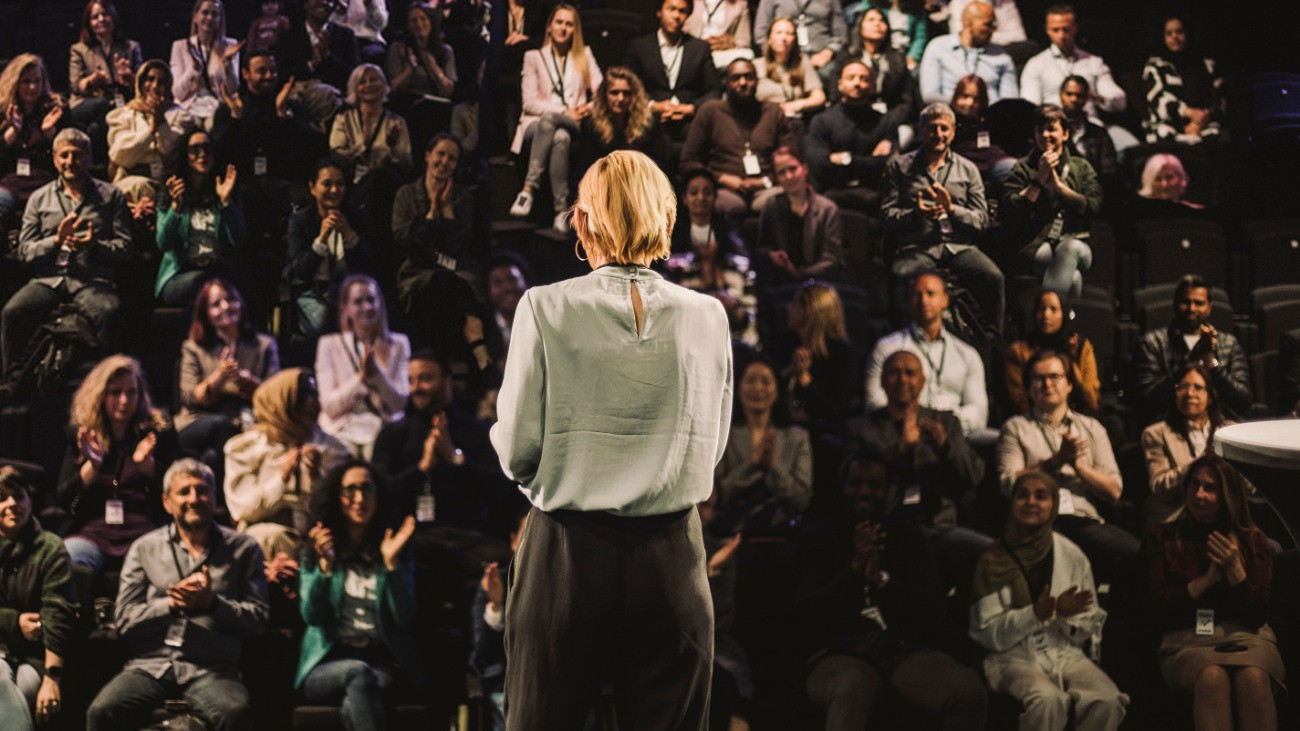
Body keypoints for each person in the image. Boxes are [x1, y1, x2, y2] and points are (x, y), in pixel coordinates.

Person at [490, 150, 733, 727]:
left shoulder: (543, 307)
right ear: (665, 218)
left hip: (568, 556)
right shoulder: (710, 315)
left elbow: (518, 450)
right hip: (673, 560)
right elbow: (711, 449)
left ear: (582, 220)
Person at [801, 450, 988, 730]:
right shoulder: (820, 537)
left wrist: (883, 583)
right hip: (838, 651)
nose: (864, 492)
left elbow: (934, 609)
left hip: (900, 649)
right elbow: (807, 611)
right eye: (856, 483)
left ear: (888, 492)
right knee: (853, 687)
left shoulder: (908, 537)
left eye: (874, 485)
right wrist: (853, 573)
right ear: (843, 487)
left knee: (968, 690)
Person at [85, 459, 268, 731]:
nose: (194, 498)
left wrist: (212, 604)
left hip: (212, 668)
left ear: (214, 497)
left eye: (202, 490)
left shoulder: (244, 548)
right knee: (101, 712)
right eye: (184, 492)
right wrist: (170, 605)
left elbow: (258, 619)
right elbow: (123, 619)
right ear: (167, 501)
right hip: (150, 665)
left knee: (235, 713)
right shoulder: (144, 548)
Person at [970, 470, 1129, 731]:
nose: (1031, 502)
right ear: (1011, 503)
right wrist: (1036, 614)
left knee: (1106, 699)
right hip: (1011, 657)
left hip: (1063, 651)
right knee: (1047, 700)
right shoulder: (993, 559)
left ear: (1053, 504)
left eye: (1041, 496)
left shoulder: (1071, 553)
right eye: (1022, 495)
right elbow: (986, 631)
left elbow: (1089, 620)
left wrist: (1065, 616)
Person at [1145, 455, 1283, 731]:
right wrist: (1205, 582)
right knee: (1212, 677)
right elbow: (1157, 612)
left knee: (1253, 678)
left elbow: (1257, 615)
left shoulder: (1252, 540)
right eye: (1194, 485)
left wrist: (1236, 572)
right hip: (1187, 639)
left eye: (1210, 488)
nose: (1198, 495)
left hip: (1248, 637)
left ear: (1227, 495)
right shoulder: (1162, 536)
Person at [296, 461, 422, 728]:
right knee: (359, 675)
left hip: (382, 660)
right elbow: (312, 616)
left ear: (379, 496)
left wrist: (391, 565)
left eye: (367, 489)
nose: (359, 498)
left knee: (360, 691)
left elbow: (404, 616)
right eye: (349, 490)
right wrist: (325, 570)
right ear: (336, 497)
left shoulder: (394, 547)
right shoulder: (316, 550)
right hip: (327, 661)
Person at [2, 128, 132, 374]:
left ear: (89, 158)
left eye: (77, 155)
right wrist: (55, 241)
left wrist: (95, 246)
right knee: (11, 313)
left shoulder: (111, 195)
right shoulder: (38, 198)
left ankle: (109, 384)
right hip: (48, 280)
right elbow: (24, 252)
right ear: (54, 159)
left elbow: (125, 248)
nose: (70, 162)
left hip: (92, 279)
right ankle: (11, 384)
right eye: (64, 156)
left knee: (110, 312)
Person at [997, 350, 1138, 575]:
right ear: (1029, 388)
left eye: (1055, 377)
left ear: (1069, 384)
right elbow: (1009, 485)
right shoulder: (1015, 428)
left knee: (1134, 553)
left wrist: (1078, 467)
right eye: (1038, 378)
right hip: (1037, 522)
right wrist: (1055, 461)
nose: (1047, 384)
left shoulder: (1091, 428)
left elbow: (1114, 490)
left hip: (1083, 520)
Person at [880, 102, 1001, 334]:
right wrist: (915, 214)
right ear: (921, 129)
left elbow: (982, 220)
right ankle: (905, 337)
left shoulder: (968, 169)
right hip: (918, 246)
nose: (938, 134)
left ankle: (991, 341)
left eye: (944, 129)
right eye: (932, 128)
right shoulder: (899, 167)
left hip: (959, 246)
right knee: (902, 274)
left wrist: (953, 210)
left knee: (993, 277)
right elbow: (886, 216)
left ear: (953, 132)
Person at [57, 354, 176, 582]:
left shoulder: (156, 432)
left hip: (144, 533)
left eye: (131, 392)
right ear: (100, 396)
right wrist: (92, 466)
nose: (124, 401)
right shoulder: (82, 436)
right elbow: (66, 503)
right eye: (115, 392)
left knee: (169, 560)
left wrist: (148, 466)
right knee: (66, 558)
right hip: (93, 534)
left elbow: (174, 492)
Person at [372, 349, 507, 533]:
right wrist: (421, 468)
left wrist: (455, 458)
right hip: (411, 541)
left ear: (448, 380)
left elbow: (500, 490)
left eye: (426, 378)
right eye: (410, 380)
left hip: (469, 539)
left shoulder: (479, 431)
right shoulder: (393, 433)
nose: (416, 388)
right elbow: (378, 491)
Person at [223, 368, 351, 559]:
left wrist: (318, 478)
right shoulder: (247, 447)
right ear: (282, 401)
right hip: (267, 535)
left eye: (314, 395)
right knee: (269, 538)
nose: (313, 403)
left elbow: (342, 508)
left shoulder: (332, 448)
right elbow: (242, 509)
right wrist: (281, 479)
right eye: (304, 396)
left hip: (316, 531)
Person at [391, 134, 487, 368]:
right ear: (427, 156)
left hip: (458, 271)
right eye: (440, 154)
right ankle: (478, 348)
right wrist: (432, 213)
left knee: (453, 284)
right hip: (417, 271)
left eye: (452, 159)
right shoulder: (406, 194)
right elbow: (408, 244)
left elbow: (460, 246)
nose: (444, 162)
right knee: (440, 284)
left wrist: (447, 210)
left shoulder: (463, 197)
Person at [508, 4, 602, 232]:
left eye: (569, 24)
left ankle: (528, 190)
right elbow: (529, 102)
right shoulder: (533, 57)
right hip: (536, 124)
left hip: (574, 122)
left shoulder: (584, 54)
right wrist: (561, 112)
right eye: (559, 22)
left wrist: (583, 108)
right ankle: (561, 211)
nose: (563, 28)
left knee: (561, 130)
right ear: (549, 27)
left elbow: (602, 95)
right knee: (559, 137)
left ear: (575, 30)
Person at [865, 271, 992, 440]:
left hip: (957, 435)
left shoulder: (967, 354)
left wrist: (945, 425)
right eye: (917, 295)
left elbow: (978, 412)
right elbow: (875, 403)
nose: (924, 301)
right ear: (909, 302)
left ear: (945, 300)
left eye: (930, 294)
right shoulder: (888, 348)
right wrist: (913, 423)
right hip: (902, 432)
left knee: (995, 440)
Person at [176, 278, 279, 484]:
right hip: (199, 420)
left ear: (240, 303)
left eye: (230, 300)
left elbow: (276, 396)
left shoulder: (264, 345)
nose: (225, 307)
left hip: (246, 419)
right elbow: (189, 398)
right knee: (223, 426)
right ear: (206, 313)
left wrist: (249, 382)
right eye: (216, 304)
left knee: (213, 457)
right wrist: (219, 376)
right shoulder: (193, 347)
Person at [0, 466, 77, 731]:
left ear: (30, 502)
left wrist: (52, 677)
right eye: (1, 497)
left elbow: (58, 611)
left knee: (26, 689)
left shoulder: (50, 547)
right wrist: (14, 622)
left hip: (35, 656)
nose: (11, 504)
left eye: (18, 496)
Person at [1001, 105, 1102, 298]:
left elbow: (1093, 206)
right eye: (1040, 130)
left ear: (1065, 134)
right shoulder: (1023, 168)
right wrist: (1038, 180)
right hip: (1037, 245)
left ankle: (1045, 312)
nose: (1045, 135)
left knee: (1069, 247)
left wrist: (1060, 187)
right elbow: (1011, 210)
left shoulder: (1081, 167)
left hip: (1078, 243)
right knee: (1073, 279)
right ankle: (1065, 322)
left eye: (1051, 129)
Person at [680, 58, 796, 217]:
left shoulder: (773, 112)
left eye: (749, 77)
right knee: (727, 205)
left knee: (777, 202)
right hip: (722, 188)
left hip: (766, 187)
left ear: (757, 82)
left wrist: (766, 181)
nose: (743, 83)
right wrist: (720, 178)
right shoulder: (711, 111)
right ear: (726, 83)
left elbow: (790, 158)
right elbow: (688, 160)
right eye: (735, 78)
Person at [1133, 274, 1251, 425]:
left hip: (1219, 426)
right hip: (1170, 427)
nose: (1191, 308)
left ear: (1209, 307)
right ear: (1175, 305)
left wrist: (1212, 363)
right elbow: (1147, 401)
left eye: (1199, 303)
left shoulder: (1229, 343)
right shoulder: (1151, 343)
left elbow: (1243, 402)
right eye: (1185, 302)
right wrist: (1190, 359)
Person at [315, 274, 410, 457]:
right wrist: (361, 378)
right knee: (343, 454)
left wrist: (376, 375)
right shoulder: (329, 344)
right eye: (358, 302)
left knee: (378, 452)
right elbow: (329, 406)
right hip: (342, 426)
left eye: (371, 300)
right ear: (346, 307)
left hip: (382, 425)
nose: (366, 307)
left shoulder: (398, 343)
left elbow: (399, 403)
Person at [715, 359, 812, 532]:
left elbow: (802, 499)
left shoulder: (797, 438)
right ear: (738, 388)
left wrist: (773, 467)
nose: (758, 388)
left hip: (783, 532)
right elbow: (718, 494)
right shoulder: (723, 435)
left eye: (766, 382)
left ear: (777, 392)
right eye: (750, 381)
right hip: (733, 529)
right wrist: (752, 464)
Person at [664, 169, 757, 345]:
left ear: (714, 197)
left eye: (707, 193)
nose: (701, 198)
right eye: (694, 193)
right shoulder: (672, 237)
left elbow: (743, 271)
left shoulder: (730, 234)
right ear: (684, 198)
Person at [283, 156, 370, 343]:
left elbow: (366, 268)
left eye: (340, 184)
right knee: (333, 328)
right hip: (311, 292)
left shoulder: (355, 218)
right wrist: (320, 241)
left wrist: (349, 236)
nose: (334, 190)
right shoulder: (300, 221)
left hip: (348, 293)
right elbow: (298, 271)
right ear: (313, 188)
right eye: (327, 184)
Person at [154, 128, 242, 305]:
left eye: (207, 148)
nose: (202, 154)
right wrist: (175, 209)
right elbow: (163, 242)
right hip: (181, 275)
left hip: (218, 270)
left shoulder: (224, 189)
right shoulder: (171, 192)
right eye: (195, 149)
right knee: (208, 283)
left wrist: (226, 203)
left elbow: (237, 240)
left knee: (218, 286)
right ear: (184, 155)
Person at [1142, 364, 1232, 526]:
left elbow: (1248, 484)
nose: (1189, 394)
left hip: (1225, 516)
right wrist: (1197, 465)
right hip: (1178, 518)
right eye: (1182, 387)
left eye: (1198, 388)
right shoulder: (1156, 433)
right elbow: (1159, 486)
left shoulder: (1229, 431)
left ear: (1211, 397)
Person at [623, 0, 722, 143]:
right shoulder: (639, 47)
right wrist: (653, 105)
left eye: (682, 11)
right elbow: (628, 87)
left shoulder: (700, 48)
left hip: (690, 122)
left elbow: (714, 91)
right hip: (649, 119)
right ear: (659, 12)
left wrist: (690, 108)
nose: (676, 16)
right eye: (671, 9)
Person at [804, 61, 895, 213]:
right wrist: (867, 163)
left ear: (872, 86)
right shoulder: (822, 121)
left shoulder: (885, 122)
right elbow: (818, 164)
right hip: (831, 194)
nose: (857, 83)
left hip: (872, 195)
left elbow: (887, 165)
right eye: (851, 78)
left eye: (863, 79)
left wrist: (847, 159)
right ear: (840, 84)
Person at [106, 59, 195, 201]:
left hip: (168, 180)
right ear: (140, 83)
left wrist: (162, 124)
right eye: (150, 80)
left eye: (161, 82)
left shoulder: (181, 116)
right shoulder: (122, 115)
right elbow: (120, 155)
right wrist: (150, 130)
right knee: (139, 187)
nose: (154, 86)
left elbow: (172, 152)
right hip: (131, 181)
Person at [1019, 6, 1126, 122]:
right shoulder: (1036, 64)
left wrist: (1095, 96)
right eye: (1055, 30)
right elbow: (1030, 106)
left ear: (1075, 28)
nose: (1061, 36)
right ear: (1047, 30)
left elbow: (1119, 102)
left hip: (1090, 125)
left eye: (1066, 29)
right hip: (1054, 128)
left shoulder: (1093, 62)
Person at [779, 281, 857, 439]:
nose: (788, 308)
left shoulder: (841, 353)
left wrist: (805, 379)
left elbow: (837, 411)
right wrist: (789, 370)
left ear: (809, 311)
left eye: (795, 304)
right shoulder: (782, 343)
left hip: (822, 433)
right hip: (782, 428)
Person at [1004, 289, 1101, 415]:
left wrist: (1070, 361)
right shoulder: (1018, 351)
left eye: (1053, 309)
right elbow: (1020, 404)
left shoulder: (1080, 347)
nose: (1046, 315)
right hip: (1035, 420)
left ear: (1063, 314)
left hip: (1077, 417)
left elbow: (1091, 402)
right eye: (1041, 309)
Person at [757, 145, 844, 285]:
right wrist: (771, 257)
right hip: (781, 282)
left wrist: (800, 274)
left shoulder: (827, 209)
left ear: (804, 168)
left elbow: (831, 260)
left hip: (819, 284)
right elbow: (761, 248)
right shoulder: (771, 206)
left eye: (792, 169)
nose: (789, 177)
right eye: (781, 172)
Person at [273, 0, 361, 131]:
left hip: (337, 104)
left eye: (329, 0)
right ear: (305, 4)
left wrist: (329, 58)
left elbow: (356, 76)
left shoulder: (345, 36)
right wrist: (311, 65)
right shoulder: (288, 37)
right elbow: (282, 74)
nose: (324, 3)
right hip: (299, 104)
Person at [67, 1, 142, 153]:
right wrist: (92, 80)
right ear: (89, 23)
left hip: (119, 103)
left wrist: (129, 78)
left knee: (96, 129)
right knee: (102, 105)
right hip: (86, 103)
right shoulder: (79, 49)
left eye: (105, 14)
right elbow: (75, 86)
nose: (101, 19)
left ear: (113, 17)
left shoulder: (131, 48)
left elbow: (143, 85)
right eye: (95, 17)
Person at [1, 55, 66, 228]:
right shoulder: (3, 111)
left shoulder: (55, 109)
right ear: (15, 83)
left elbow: (70, 151)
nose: (33, 87)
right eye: (26, 82)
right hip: (9, 183)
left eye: (37, 81)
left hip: (44, 182)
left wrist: (50, 133)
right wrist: (13, 132)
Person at [385, 1, 456, 152]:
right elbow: (393, 88)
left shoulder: (445, 51)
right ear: (408, 26)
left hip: (436, 105)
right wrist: (409, 69)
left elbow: (448, 90)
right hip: (408, 104)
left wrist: (434, 67)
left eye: (423, 19)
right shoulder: (398, 48)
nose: (419, 24)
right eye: (413, 20)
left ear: (431, 22)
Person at [1142, 15, 1224, 145]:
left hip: (1202, 124)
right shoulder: (1155, 67)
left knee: (1216, 135)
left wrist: (1200, 121)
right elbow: (1158, 101)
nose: (1175, 37)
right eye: (1169, 33)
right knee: (1163, 134)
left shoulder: (1207, 65)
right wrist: (1187, 112)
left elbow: (1218, 99)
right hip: (1168, 124)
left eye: (1179, 32)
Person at [837, 6, 918, 136]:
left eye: (882, 21)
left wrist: (888, 121)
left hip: (889, 119)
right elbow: (836, 93)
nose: (877, 24)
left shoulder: (898, 58)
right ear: (860, 26)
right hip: (853, 119)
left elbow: (906, 100)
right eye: (871, 20)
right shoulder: (846, 56)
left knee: (905, 134)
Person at [575, 67, 668, 176]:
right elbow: (587, 168)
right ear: (604, 95)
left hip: (640, 182)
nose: (620, 98)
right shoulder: (590, 125)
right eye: (614, 93)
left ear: (634, 96)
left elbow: (659, 166)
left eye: (626, 93)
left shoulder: (649, 123)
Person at [920, 1, 1017, 105]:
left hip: (990, 116)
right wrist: (962, 104)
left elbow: (1010, 102)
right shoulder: (938, 47)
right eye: (987, 24)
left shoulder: (1002, 57)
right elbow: (929, 95)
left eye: (994, 25)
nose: (993, 30)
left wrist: (980, 107)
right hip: (949, 114)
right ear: (968, 23)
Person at [329, 64, 413, 181]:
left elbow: (406, 163)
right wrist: (362, 144)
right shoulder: (343, 119)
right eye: (362, 82)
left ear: (383, 85)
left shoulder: (397, 122)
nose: (368, 85)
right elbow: (337, 154)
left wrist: (392, 146)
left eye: (373, 80)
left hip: (384, 181)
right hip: (350, 177)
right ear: (355, 89)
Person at [169, 0, 241, 128]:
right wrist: (193, 70)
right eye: (205, 13)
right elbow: (177, 93)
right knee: (189, 125)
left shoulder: (229, 45)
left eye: (215, 14)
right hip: (189, 105)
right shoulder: (180, 46)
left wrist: (227, 65)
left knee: (214, 125)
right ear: (195, 16)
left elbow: (232, 90)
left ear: (220, 20)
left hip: (218, 104)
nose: (209, 18)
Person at [753, 0, 847, 84]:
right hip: (783, 56)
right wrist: (779, 55)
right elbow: (761, 34)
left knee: (833, 75)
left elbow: (840, 34)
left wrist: (828, 52)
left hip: (821, 56)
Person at [949, 74, 1016, 184]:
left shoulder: (989, 118)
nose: (969, 103)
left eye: (976, 99)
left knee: (1015, 168)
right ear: (956, 96)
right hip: (960, 165)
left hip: (991, 162)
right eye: (965, 96)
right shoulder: (947, 119)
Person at [754, 18, 827, 119]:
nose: (783, 38)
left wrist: (797, 104)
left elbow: (819, 97)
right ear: (769, 38)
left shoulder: (801, 62)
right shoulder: (756, 65)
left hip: (792, 119)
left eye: (789, 33)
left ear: (794, 40)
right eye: (778, 33)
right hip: (764, 117)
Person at [1059, 76, 1118, 191]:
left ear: (1086, 98)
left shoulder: (1098, 133)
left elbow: (1109, 171)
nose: (1073, 99)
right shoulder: (1049, 132)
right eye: (1069, 94)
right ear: (1061, 95)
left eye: (1079, 96)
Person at [843, 0, 927, 70]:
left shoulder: (916, 10)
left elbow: (920, 37)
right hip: (882, 49)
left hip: (904, 53)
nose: (876, 23)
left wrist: (912, 56)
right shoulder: (874, 4)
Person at [683, 0, 752, 68]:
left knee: (748, 54)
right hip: (695, 49)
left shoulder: (740, 4)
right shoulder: (690, 2)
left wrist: (730, 43)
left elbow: (744, 41)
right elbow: (682, 30)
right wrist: (701, 44)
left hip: (724, 53)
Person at [330, 0, 389, 65]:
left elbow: (381, 25)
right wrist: (339, 13)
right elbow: (329, 23)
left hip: (368, 40)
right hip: (341, 39)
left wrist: (370, 6)